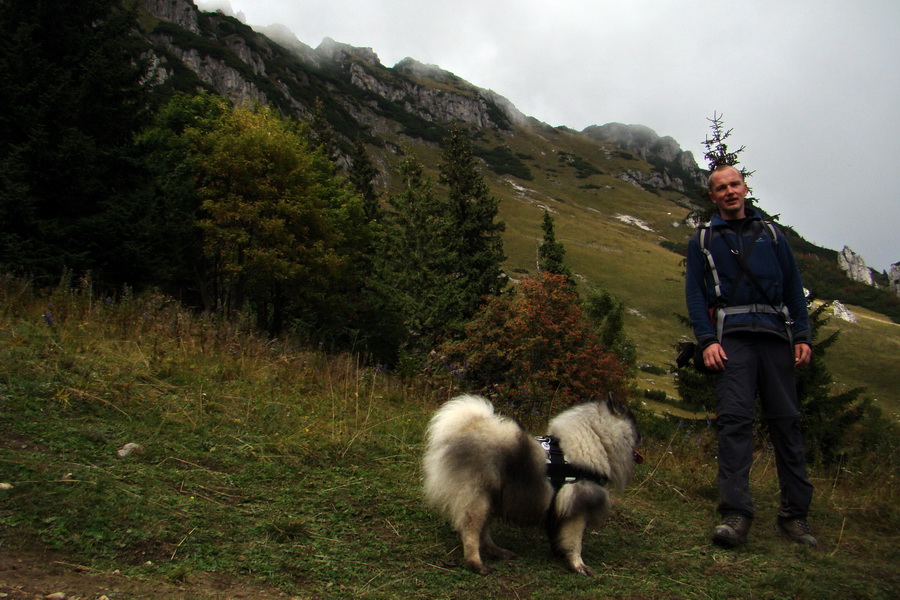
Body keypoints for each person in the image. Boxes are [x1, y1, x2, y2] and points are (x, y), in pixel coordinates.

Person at [684, 164, 818, 549]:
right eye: (721, 187)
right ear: (713, 196)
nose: (730, 192)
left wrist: (803, 335)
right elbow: (695, 293)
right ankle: (735, 515)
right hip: (733, 340)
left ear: (745, 188)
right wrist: (707, 341)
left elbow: (794, 286)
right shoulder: (704, 240)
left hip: (777, 337)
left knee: (787, 425)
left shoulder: (773, 235)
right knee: (735, 424)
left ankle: (795, 518)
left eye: (735, 184)